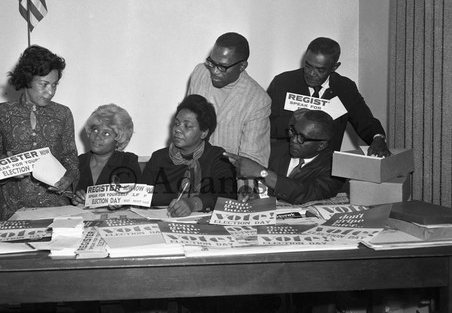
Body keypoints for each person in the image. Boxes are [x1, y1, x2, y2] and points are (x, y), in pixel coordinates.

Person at [0, 45, 79, 221]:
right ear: (27, 80)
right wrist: (6, 167)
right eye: (44, 84)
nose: (51, 92)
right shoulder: (1, 112)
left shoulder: (63, 114)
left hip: (57, 208)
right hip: (14, 209)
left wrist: (69, 178)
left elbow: (70, 157)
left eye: (55, 85)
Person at [267, 37, 391, 157]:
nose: (311, 73)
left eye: (320, 70)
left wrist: (378, 138)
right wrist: (290, 122)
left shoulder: (345, 88)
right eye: (308, 66)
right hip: (284, 164)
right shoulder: (283, 83)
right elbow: (263, 126)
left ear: (335, 67)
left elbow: (365, 121)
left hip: (325, 168)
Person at [142, 94, 237, 217]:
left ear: (203, 132)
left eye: (187, 126)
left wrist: (193, 203)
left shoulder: (216, 157)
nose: (177, 129)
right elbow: (141, 198)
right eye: (176, 124)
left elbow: (228, 196)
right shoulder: (159, 158)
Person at [225, 108, 345, 204]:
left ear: (321, 145)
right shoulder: (275, 149)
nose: (293, 139)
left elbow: (305, 193)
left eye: (301, 138)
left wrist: (262, 173)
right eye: (293, 131)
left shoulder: (335, 168)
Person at [187, 32, 271, 167]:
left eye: (222, 67)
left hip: (225, 177)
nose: (214, 71)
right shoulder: (200, 73)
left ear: (242, 66)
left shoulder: (258, 101)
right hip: (188, 167)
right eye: (212, 63)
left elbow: (251, 163)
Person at [71, 104, 141, 206]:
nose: (97, 137)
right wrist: (74, 199)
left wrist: (119, 203)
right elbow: (65, 197)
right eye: (95, 130)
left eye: (106, 133)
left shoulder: (128, 161)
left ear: (118, 140)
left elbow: (136, 200)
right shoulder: (77, 162)